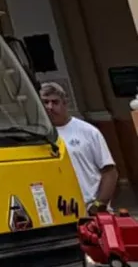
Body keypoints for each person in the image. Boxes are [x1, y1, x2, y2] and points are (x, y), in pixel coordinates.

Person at [40, 82, 118, 213]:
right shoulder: (37, 136)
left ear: (65, 103)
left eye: (55, 102)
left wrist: (99, 205)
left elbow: (110, 172)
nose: (50, 107)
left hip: (90, 209)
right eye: (45, 102)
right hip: (58, 211)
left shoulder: (88, 131)